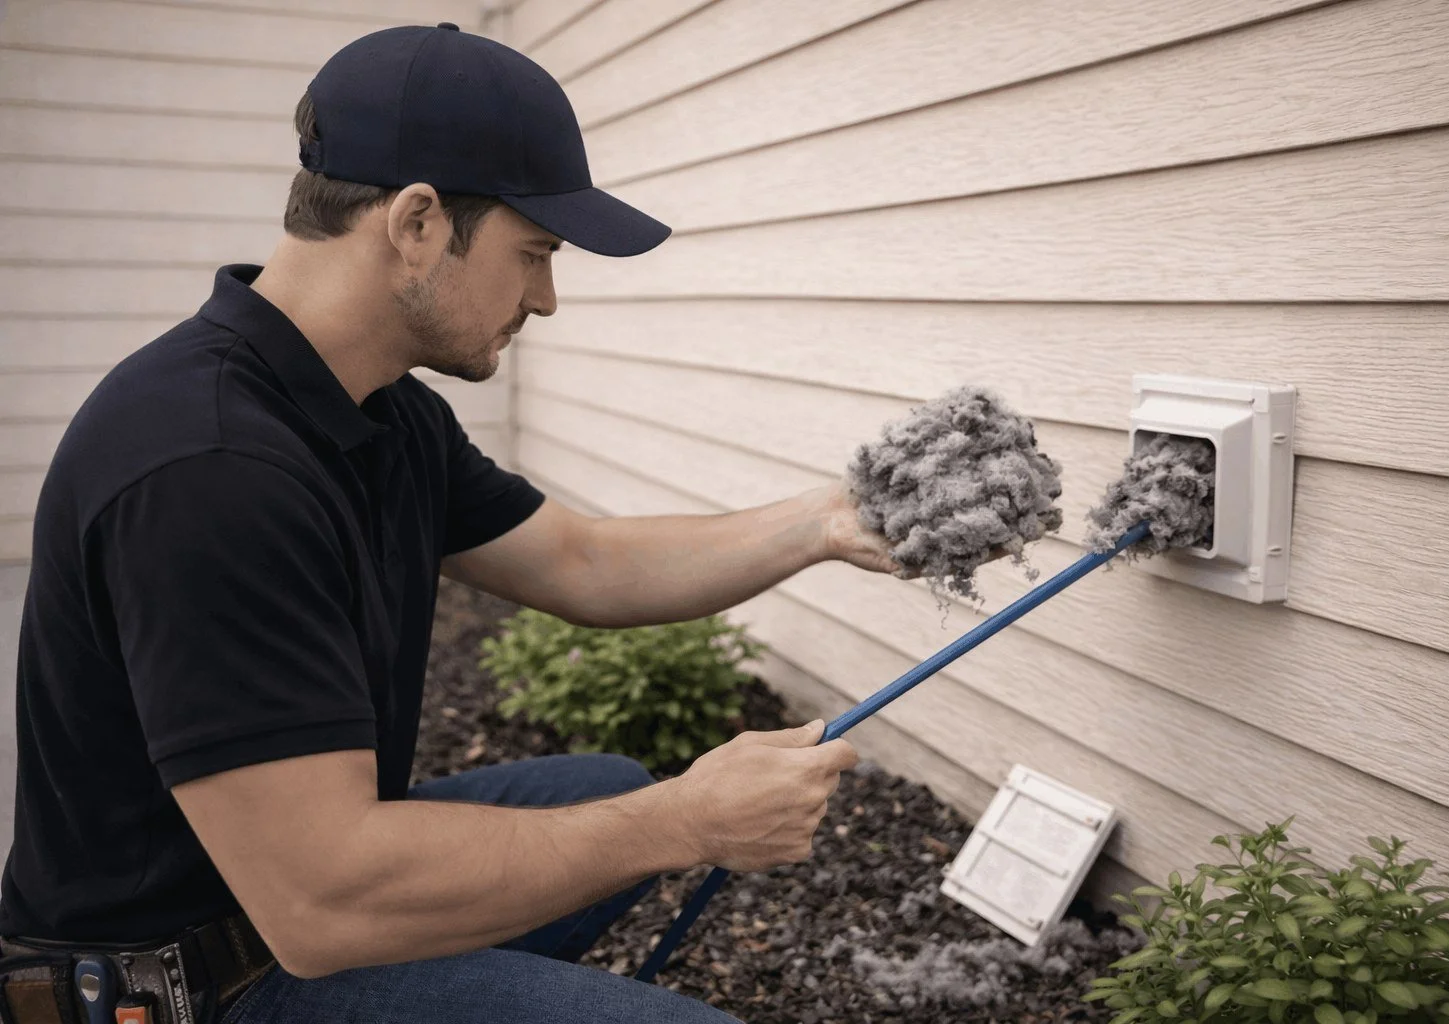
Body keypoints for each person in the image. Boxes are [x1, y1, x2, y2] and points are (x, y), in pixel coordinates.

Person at [0, 23, 914, 1024]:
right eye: (534, 253)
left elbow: (584, 561)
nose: (548, 298)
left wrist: (828, 519)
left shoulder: (380, 408)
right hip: (181, 985)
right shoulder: (208, 466)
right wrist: (685, 822)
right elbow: (325, 900)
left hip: (268, 912)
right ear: (419, 223)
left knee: (601, 785)